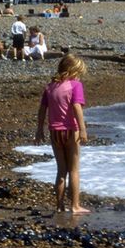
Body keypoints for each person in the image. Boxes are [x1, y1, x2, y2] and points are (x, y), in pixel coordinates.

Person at [34, 54, 89, 214]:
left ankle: (59, 206)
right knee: (74, 170)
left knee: (61, 170)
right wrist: (83, 128)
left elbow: (42, 109)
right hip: (71, 130)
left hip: (54, 131)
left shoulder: (50, 86)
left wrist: (39, 129)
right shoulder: (75, 85)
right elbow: (77, 107)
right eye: (78, 72)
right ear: (73, 70)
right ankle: (75, 206)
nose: (79, 75)